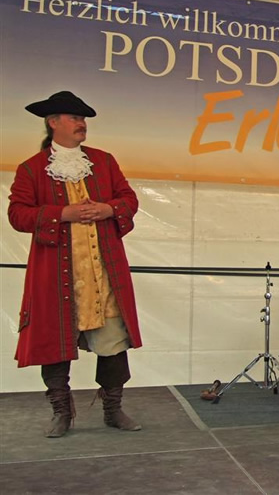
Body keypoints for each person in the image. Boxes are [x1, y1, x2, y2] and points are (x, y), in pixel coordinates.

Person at [8, 91, 143, 437]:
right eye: (75, 118)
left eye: (83, 119)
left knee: (114, 343)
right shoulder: (31, 169)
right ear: (53, 122)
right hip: (55, 275)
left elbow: (128, 199)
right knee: (54, 343)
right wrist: (62, 213)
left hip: (103, 273)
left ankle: (113, 409)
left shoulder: (104, 162)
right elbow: (17, 214)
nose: (82, 124)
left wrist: (109, 209)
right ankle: (61, 413)